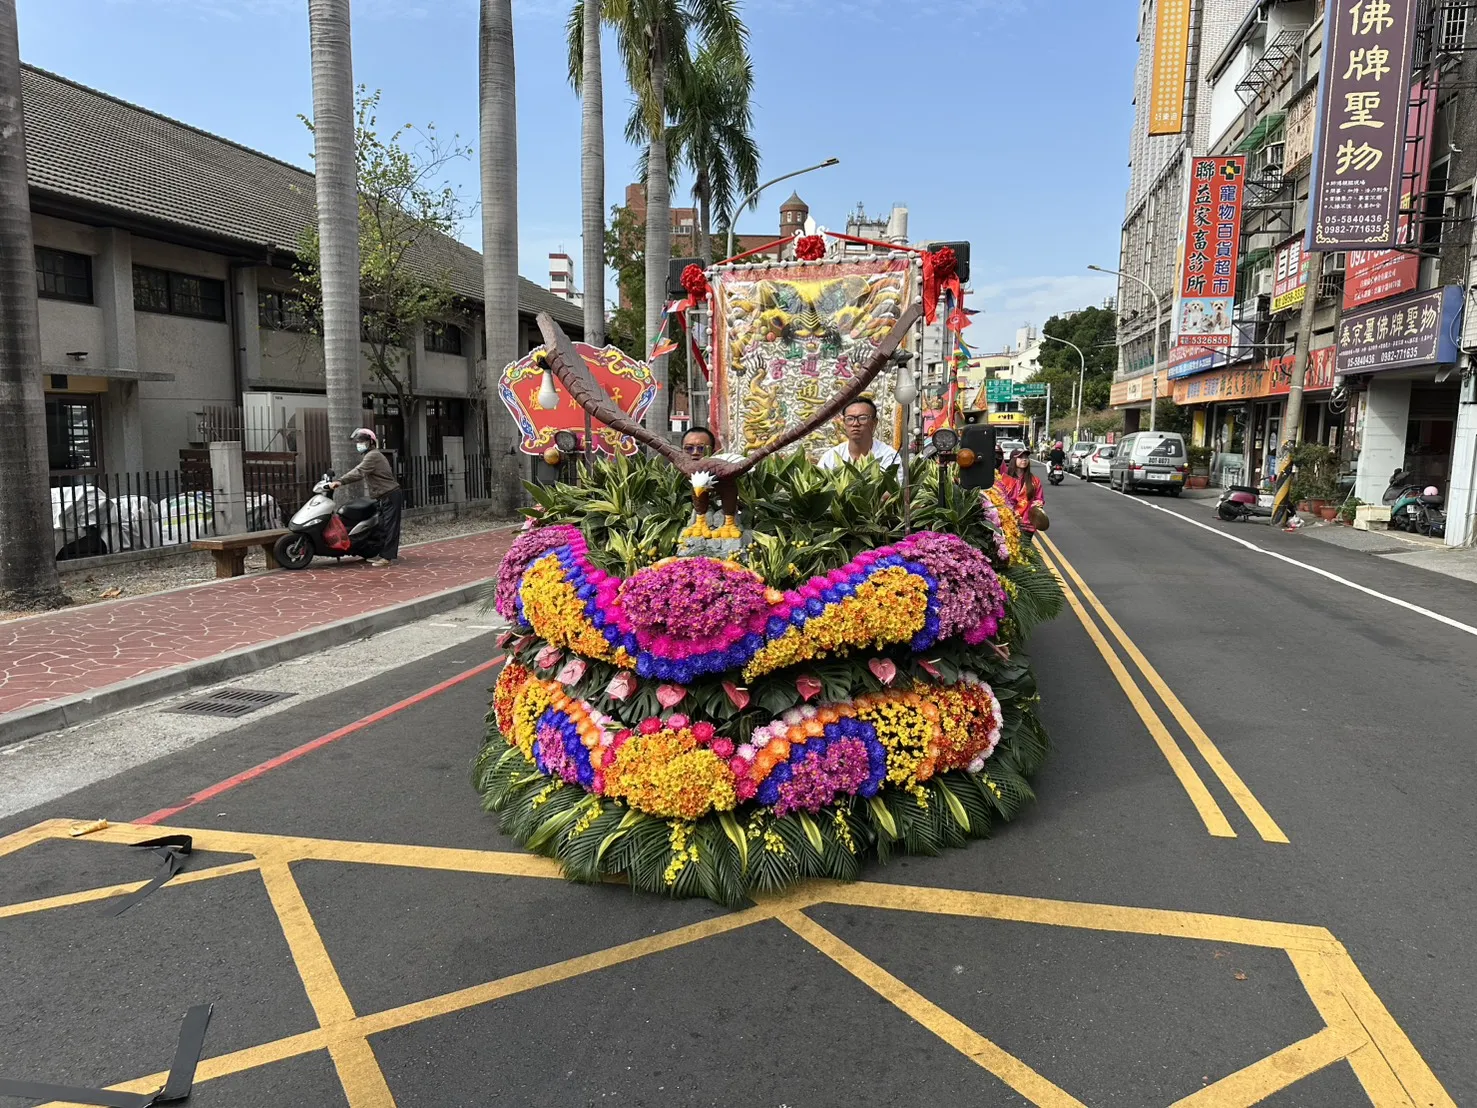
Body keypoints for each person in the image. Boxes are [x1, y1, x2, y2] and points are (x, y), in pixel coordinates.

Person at [331, 428, 403, 567]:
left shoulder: (373, 456)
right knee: (382, 526)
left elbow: (359, 472)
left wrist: (340, 481)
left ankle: (387, 557)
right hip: (384, 496)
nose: (359, 444)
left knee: (390, 527)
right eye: (358, 441)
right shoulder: (371, 455)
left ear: (371, 442)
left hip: (390, 495)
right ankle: (382, 554)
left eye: (362, 441)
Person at [818, 397, 900, 471]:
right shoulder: (830, 457)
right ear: (844, 423)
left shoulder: (889, 456)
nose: (855, 424)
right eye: (850, 419)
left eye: (862, 418)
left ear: (874, 423)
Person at [995, 448, 1045, 544]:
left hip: (1027, 524)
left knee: (1025, 552)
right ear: (1013, 460)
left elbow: (1039, 498)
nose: (1024, 460)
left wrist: (1038, 503)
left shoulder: (1035, 481)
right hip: (1008, 523)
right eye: (1021, 457)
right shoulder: (1003, 479)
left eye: (1026, 457)